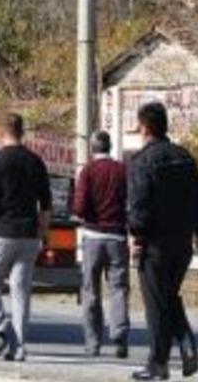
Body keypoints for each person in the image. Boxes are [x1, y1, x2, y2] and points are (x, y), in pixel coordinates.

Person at [128, 102, 198, 381]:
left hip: (154, 244)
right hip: (182, 245)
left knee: (156, 304)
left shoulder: (142, 161)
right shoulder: (184, 157)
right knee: (168, 297)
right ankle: (186, 346)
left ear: (145, 127)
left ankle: (158, 364)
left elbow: (139, 205)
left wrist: (136, 238)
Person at [0, 112, 53, 362]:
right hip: (28, 236)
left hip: (2, 234)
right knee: (21, 291)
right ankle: (21, 347)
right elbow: (46, 203)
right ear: (21, 131)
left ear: (1, 132)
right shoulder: (36, 162)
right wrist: (44, 232)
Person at [73, 131, 130, 359]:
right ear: (110, 146)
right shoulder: (121, 170)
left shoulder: (87, 171)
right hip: (117, 237)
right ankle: (119, 337)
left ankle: (93, 343)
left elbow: (78, 208)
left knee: (91, 291)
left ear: (92, 149)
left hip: (93, 237)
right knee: (118, 289)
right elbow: (130, 199)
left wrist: (85, 214)